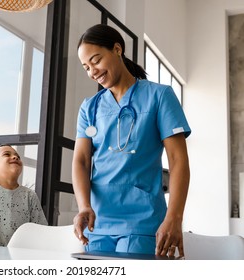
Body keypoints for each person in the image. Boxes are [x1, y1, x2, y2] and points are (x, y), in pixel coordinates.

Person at [72, 24, 191, 257]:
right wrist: (84, 206)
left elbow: (178, 160)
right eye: (86, 67)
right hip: (98, 223)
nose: (92, 71)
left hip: (143, 222)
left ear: (117, 49)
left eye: (96, 60)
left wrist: (174, 217)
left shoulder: (159, 96)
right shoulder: (90, 107)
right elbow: (81, 161)